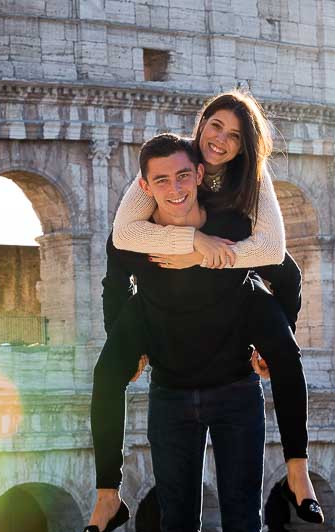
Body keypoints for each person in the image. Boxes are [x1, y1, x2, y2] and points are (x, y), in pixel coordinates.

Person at [79, 134, 316, 532]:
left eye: (184, 175)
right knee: (178, 528)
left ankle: (298, 471)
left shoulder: (233, 227)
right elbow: (114, 285)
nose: (175, 189)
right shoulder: (132, 237)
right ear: (145, 187)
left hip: (235, 390)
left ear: (200, 174)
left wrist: (277, 333)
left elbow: (288, 273)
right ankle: (108, 496)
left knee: (244, 523)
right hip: (170, 392)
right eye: (162, 180)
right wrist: (125, 345)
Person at [111, 90, 320, 505]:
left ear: (246, 146)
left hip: (246, 267)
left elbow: (272, 251)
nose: (221, 140)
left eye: (236, 136)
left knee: (285, 338)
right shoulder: (176, 160)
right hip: (209, 277)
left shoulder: (252, 177)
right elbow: (124, 234)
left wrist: (198, 255)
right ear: (202, 123)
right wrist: (191, 238)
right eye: (216, 126)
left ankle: (298, 469)